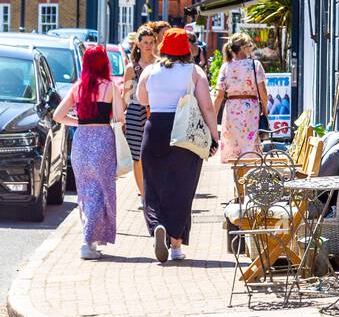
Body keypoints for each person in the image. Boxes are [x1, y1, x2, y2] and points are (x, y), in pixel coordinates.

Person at [136, 28, 219, 263]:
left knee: (152, 184)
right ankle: (175, 245)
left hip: (155, 129)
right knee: (182, 186)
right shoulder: (194, 72)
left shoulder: (150, 71)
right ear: (186, 49)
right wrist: (213, 137)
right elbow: (208, 107)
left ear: (163, 47)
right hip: (185, 131)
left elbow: (142, 100)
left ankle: (157, 225)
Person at [53, 45, 124, 260]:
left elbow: (58, 115)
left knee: (86, 192)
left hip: (82, 141)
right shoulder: (111, 87)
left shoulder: (78, 87)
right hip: (103, 139)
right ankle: (87, 242)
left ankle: (91, 241)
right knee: (101, 191)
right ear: (104, 64)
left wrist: (79, 121)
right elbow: (120, 117)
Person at [213, 33, 268, 163]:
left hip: (231, 109)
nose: (251, 48)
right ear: (243, 47)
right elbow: (263, 93)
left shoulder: (226, 66)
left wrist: (213, 118)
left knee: (235, 148)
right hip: (251, 109)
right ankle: (247, 179)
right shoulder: (255, 65)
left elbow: (219, 95)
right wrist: (265, 111)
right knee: (250, 145)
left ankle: (238, 178)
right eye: (250, 45)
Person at [122, 25, 157, 197]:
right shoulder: (132, 68)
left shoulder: (159, 65)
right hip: (136, 112)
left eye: (151, 42)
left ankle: (153, 191)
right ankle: (143, 195)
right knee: (138, 156)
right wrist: (121, 119)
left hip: (156, 111)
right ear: (139, 44)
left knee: (154, 154)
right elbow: (126, 96)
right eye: (145, 42)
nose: (148, 46)